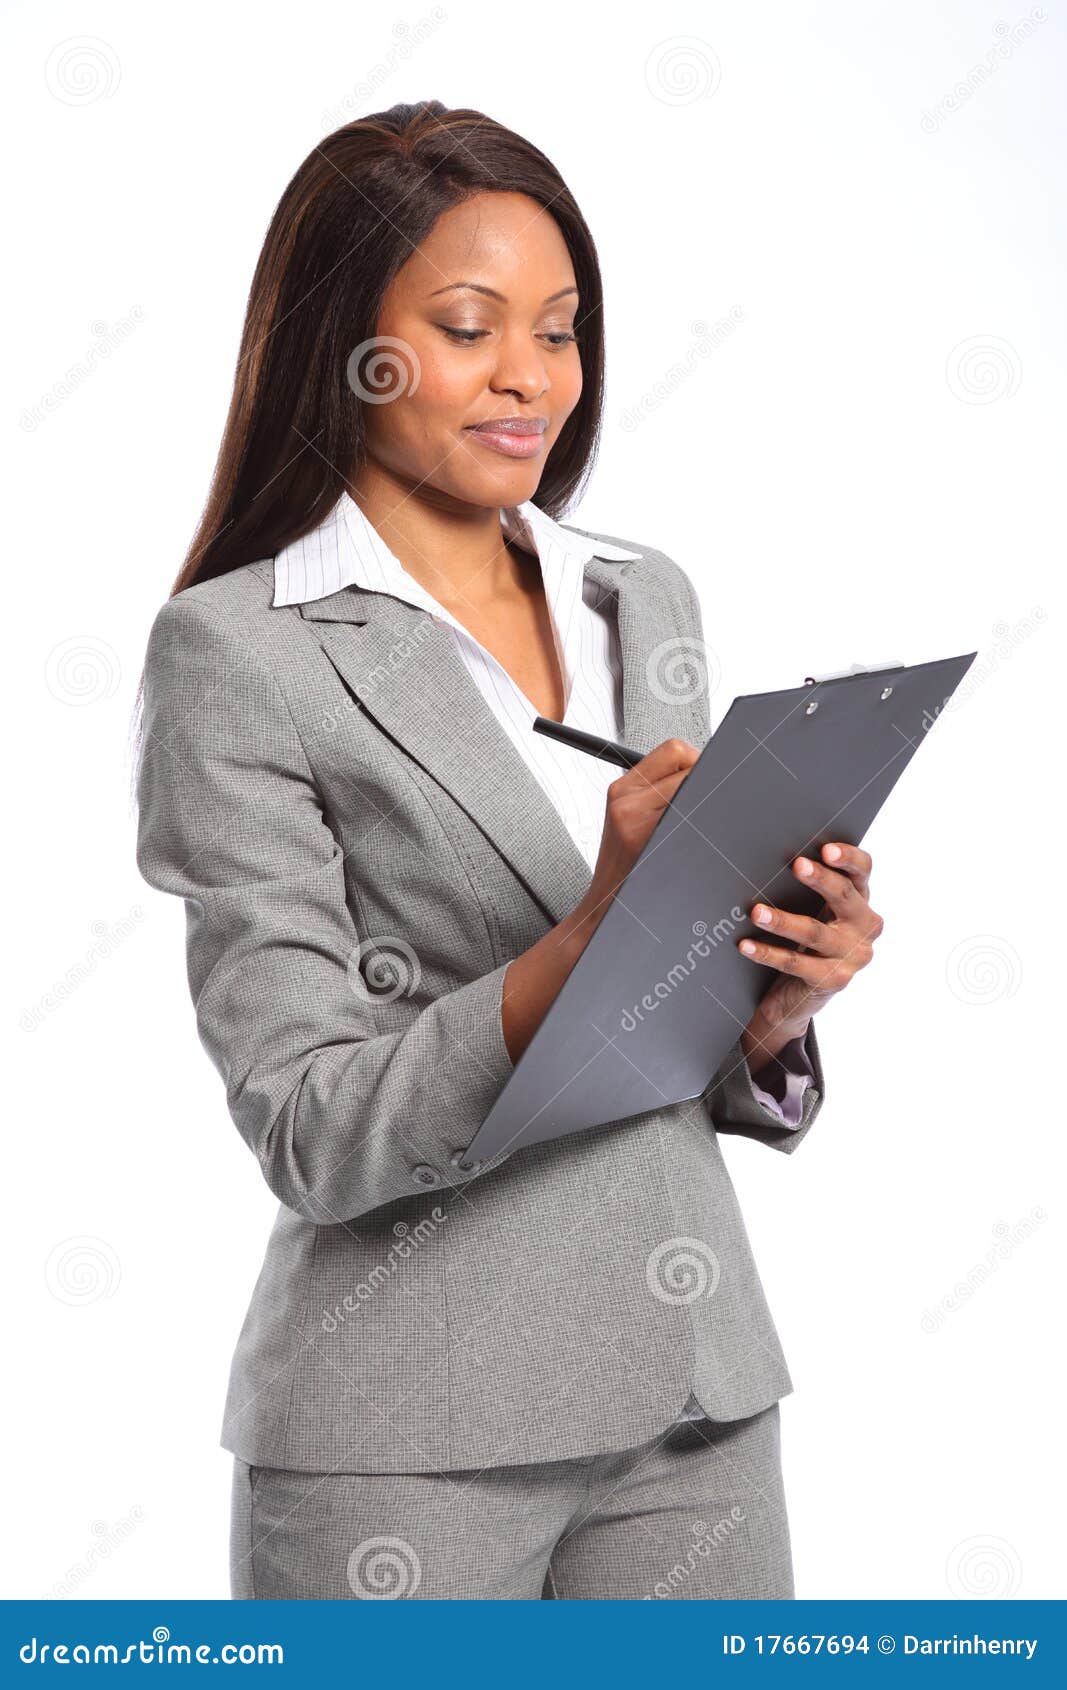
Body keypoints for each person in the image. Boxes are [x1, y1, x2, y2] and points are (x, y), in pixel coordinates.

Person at [133, 100, 883, 1601]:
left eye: (560, 328)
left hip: (695, 1405)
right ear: (346, 341)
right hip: (406, 1430)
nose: (529, 377)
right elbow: (310, 1120)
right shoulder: (239, 651)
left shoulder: (640, 598)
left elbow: (662, 1023)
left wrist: (776, 1002)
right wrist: (593, 928)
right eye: (470, 327)